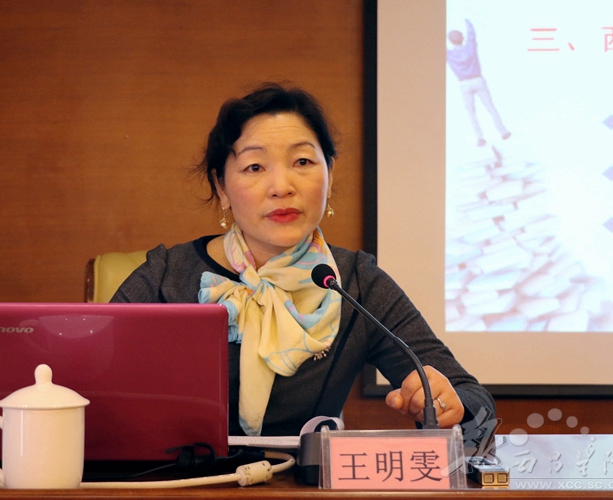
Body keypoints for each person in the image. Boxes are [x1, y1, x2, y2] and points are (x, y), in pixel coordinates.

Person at [112, 83, 495, 438]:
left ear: (330, 173)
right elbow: (88, 388)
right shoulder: (165, 278)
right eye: (255, 167)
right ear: (221, 187)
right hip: (177, 481)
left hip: (303, 481)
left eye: (302, 162)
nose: (282, 187)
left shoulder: (354, 283)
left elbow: (477, 406)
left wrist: (450, 404)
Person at [447, 19, 511, 147]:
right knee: (490, 107)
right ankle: (503, 132)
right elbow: (472, 34)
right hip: (478, 80)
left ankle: (480, 138)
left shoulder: (449, 54)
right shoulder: (470, 47)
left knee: (471, 112)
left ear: (450, 41)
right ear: (462, 38)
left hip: (463, 84)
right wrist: (467, 22)